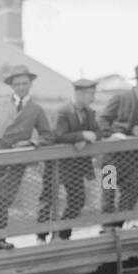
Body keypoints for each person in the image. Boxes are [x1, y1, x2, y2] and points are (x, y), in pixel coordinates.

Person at [0, 67, 53, 250]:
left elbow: (47, 135)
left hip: (15, 160)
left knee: (1, 199)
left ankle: (0, 239)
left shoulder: (36, 109)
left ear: (30, 84)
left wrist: (30, 143)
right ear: (11, 86)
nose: (21, 87)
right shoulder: (0, 103)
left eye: (25, 83)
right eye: (17, 84)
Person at [100, 63, 138, 227]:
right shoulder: (121, 98)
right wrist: (113, 134)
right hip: (111, 158)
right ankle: (107, 227)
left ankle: (118, 225)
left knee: (131, 192)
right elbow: (103, 120)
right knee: (108, 189)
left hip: (134, 159)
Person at [39, 79, 99, 241]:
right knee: (48, 199)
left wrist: (85, 139)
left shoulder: (89, 113)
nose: (92, 98)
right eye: (90, 94)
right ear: (78, 94)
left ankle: (62, 233)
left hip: (76, 166)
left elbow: (98, 132)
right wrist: (80, 136)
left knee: (78, 199)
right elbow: (57, 135)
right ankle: (41, 236)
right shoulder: (63, 111)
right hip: (57, 164)